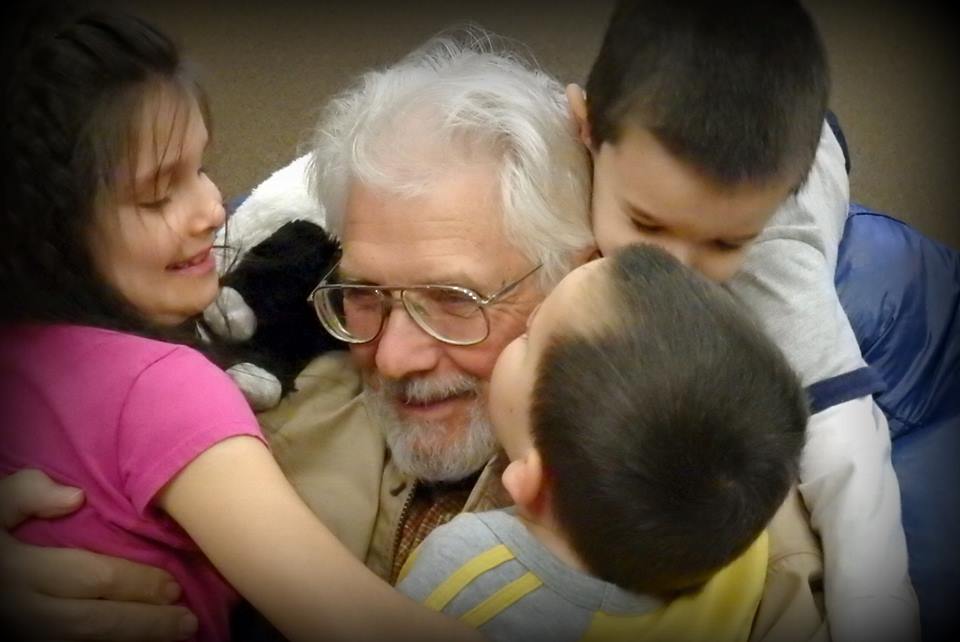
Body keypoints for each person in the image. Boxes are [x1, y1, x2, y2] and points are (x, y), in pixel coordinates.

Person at [0, 21, 855, 642]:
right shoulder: (248, 382)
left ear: (580, 270)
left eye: (455, 301)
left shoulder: (708, 495)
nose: (396, 356)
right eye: (366, 294)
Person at [0, 6, 482, 642]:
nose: (210, 210)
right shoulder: (164, 387)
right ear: (47, 232)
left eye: (200, 168)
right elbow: (348, 619)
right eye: (156, 194)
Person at [563, 2, 918, 641]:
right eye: (645, 224)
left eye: (726, 244)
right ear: (585, 127)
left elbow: (850, 453)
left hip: (814, 157)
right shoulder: (577, 125)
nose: (678, 270)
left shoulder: (775, 261)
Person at [395, 245, 808, 641]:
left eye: (528, 336)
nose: (532, 315)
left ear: (529, 480)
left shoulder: (467, 576)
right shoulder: (736, 546)